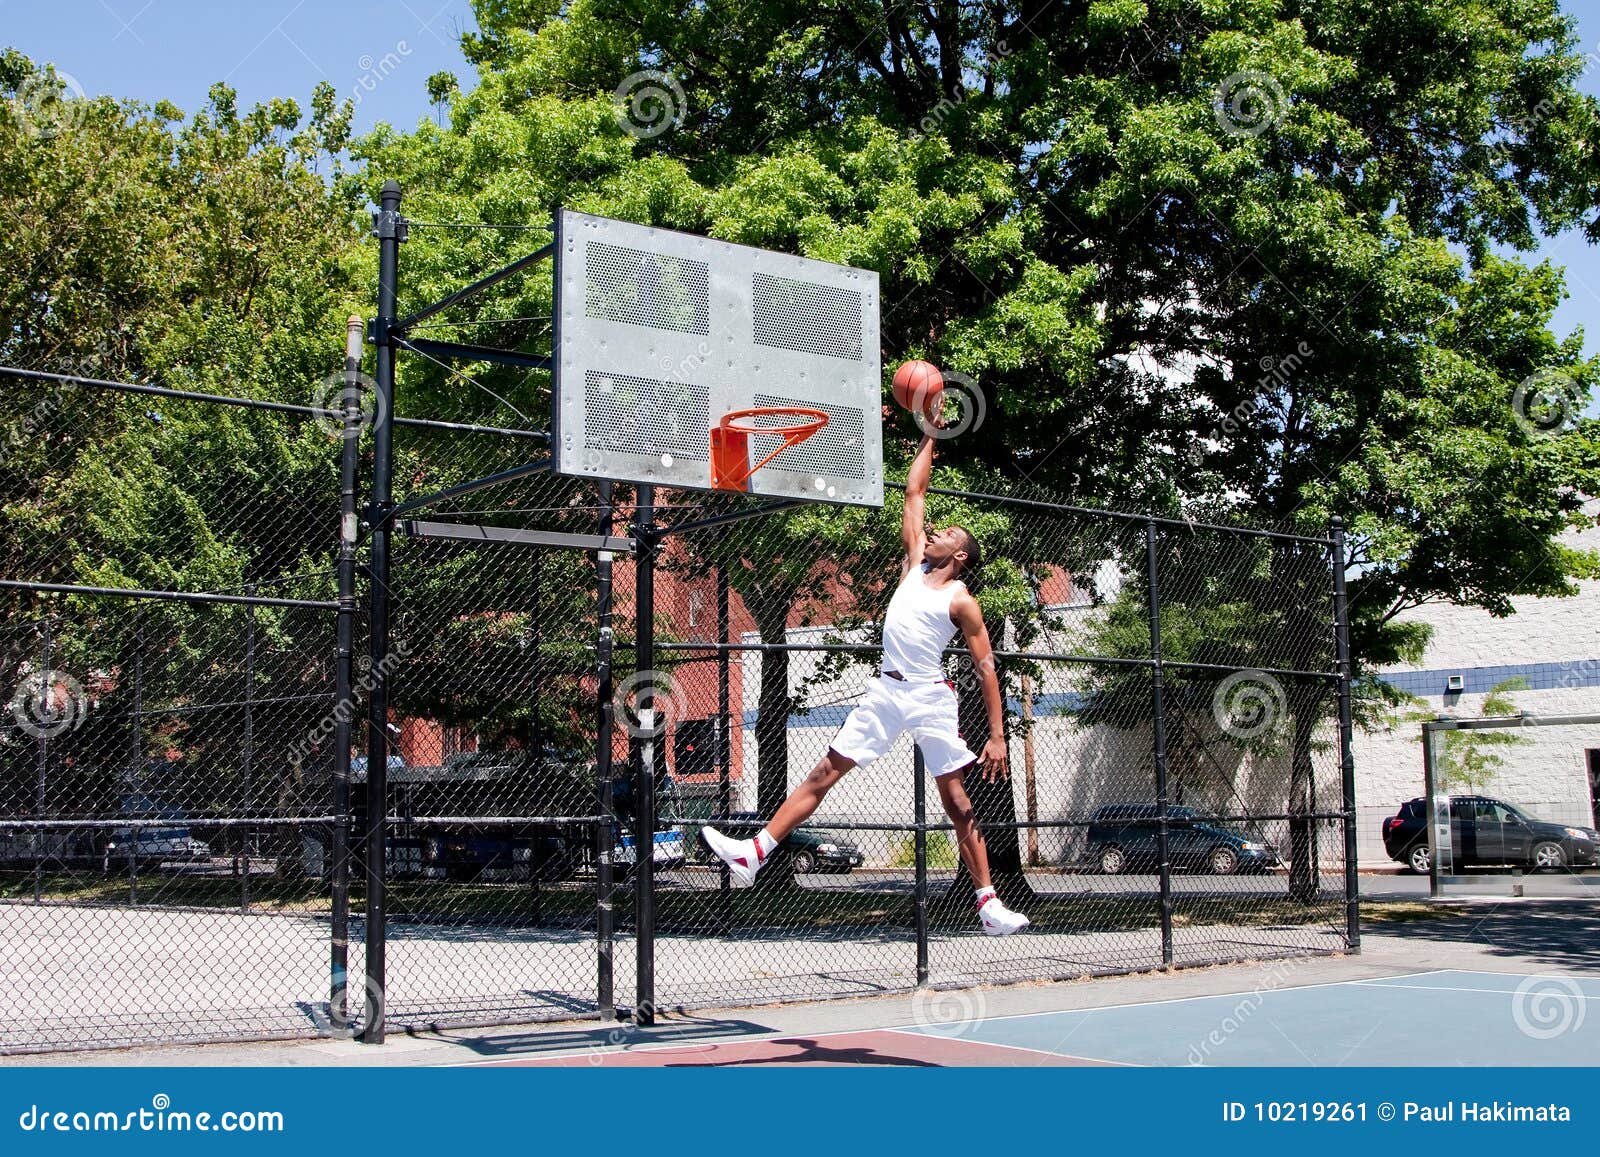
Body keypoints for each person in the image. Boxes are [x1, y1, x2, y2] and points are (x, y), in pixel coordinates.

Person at [701, 418, 1030, 935]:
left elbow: (987, 667)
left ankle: (987, 903)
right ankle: (754, 852)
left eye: (945, 535)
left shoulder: (959, 599)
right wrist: (929, 435)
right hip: (886, 689)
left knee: (958, 802)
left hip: (928, 695)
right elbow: (914, 491)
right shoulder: (912, 567)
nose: (935, 533)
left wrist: (996, 735)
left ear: (959, 556)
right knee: (824, 772)